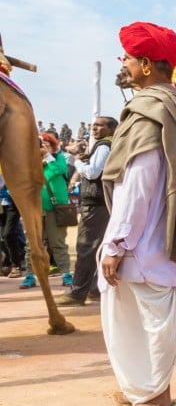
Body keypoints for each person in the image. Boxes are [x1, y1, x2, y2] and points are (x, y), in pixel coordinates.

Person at [98, 21, 176, 406]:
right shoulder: (173, 106)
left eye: (127, 57)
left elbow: (138, 184)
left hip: (142, 242)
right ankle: (145, 392)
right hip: (152, 238)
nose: (123, 64)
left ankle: (155, 398)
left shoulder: (149, 112)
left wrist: (118, 242)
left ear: (145, 64)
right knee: (145, 321)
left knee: (151, 323)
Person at [56, 116, 117, 306]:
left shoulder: (104, 146)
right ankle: (94, 288)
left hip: (95, 203)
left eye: (100, 125)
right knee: (97, 247)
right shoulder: (106, 145)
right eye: (94, 125)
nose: (95, 128)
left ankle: (77, 292)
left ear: (111, 129)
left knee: (86, 246)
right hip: (101, 202)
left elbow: (93, 172)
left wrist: (77, 161)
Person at [22, 132, 73, 289]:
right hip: (34, 209)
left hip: (55, 208)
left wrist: (47, 156)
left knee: (57, 243)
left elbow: (55, 172)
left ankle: (66, 274)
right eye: (39, 145)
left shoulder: (59, 160)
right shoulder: (29, 163)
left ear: (53, 146)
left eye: (47, 145)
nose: (42, 148)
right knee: (32, 244)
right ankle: (30, 275)